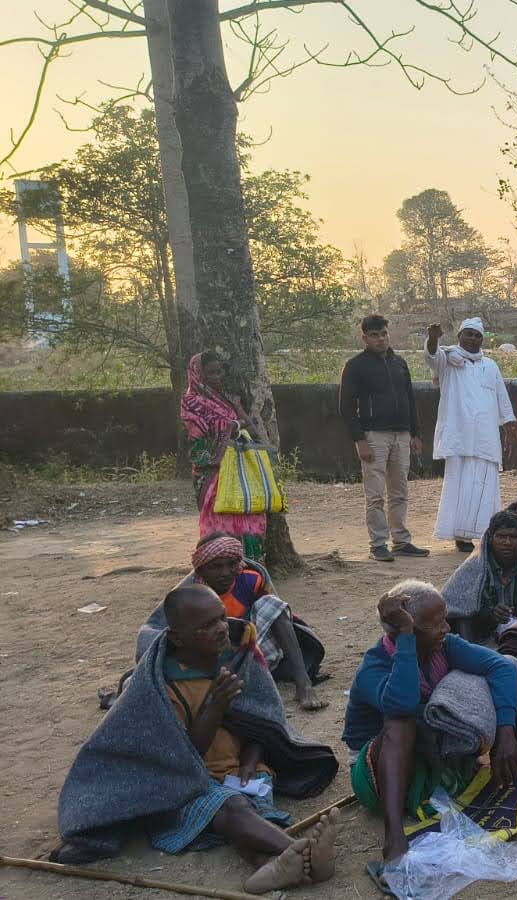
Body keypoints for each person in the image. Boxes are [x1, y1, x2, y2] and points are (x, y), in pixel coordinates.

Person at [56, 584, 340, 893]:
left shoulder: (240, 658)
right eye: (206, 626)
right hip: (186, 786)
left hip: (241, 774)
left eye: (222, 618)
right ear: (178, 637)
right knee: (231, 808)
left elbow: (264, 722)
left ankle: (268, 864)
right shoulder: (160, 685)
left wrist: (250, 760)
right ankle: (304, 853)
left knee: (240, 813)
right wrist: (216, 705)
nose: (221, 628)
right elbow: (181, 755)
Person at [342, 579, 517, 864]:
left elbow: (502, 667)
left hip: (431, 755)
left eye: (444, 619)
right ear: (403, 631)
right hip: (381, 774)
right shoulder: (374, 666)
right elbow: (403, 705)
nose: (446, 628)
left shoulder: (443, 646)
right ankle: (395, 837)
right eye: (435, 624)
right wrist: (406, 638)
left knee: (512, 681)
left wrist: (505, 732)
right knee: (400, 722)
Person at [177, 535, 326, 710]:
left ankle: (303, 683)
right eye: (216, 567)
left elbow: (276, 616)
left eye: (231, 564)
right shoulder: (190, 595)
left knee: (271, 603)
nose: (225, 572)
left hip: (257, 652)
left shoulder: (251, 580)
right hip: (217, 661)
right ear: (201, 569)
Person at [340, 314, 429, 562]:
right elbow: (346, 407)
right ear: (365, 338)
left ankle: (401, 541)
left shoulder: (399, 363)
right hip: (373, 436)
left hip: (402, 435)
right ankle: (378, 544)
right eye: (375, 335)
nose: (381, 339)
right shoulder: (355, 366)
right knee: (376, 494)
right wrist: (360, 440)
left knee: (400, 492)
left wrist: (416, 433)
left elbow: (410, 399)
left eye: (384, 334)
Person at [425, 318, 516, 553]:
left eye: (477, 335)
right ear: (459, 336)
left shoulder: (491, 365)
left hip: (486, 437)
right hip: (459, 435)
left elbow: (502, 397)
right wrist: (433, 339)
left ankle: (486, 533)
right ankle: (461, 535)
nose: (473, 339)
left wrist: (510, 425)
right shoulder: (448, 360)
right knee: (460, 485)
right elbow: (432, 357)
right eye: (469, 334)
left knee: (486, 485)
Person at [180, 351, 268, 559]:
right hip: (213, 474)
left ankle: (250, 566)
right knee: (220, 522)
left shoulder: (226, 400)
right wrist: (233, 427)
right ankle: (219, 565)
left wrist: (237, 410)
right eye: (211, 373)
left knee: (247, 517)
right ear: (199, 375)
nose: (218, 377)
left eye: (220, 372)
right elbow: (197, 444)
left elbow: (253, 431)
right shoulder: (191, 403)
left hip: (239, 472)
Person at [441, 510, 517, 645]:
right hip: (481, 639)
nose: (507, 542)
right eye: (501, 536)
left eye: (513, 537)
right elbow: (450, 606)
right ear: (490, 537)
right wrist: (490, 614)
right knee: (462, 620)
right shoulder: (473, 567)